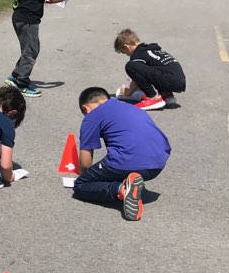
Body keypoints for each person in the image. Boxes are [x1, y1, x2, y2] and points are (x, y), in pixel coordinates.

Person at [73, 86, 171, 222]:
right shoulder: (131, 107)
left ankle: (121, 190)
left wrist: (87, 176)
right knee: (119, 163)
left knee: (81, 185)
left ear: (85, 108)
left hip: (127, 160)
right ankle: (130, 181)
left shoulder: (92, 116)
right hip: (157, 164)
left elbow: (85, 163)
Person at [4, 0, 75, 98]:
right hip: (28, 19)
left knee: (29, 48)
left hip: (20, 17)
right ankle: (21, 83)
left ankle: (16, 75)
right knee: (31, 51)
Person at [113, 29, 186, 111]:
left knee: (131, 66)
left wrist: (129, 92)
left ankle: (153, 98)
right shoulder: (151, 49)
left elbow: (136, 76)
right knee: (156, 68)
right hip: (179, 81)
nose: (126, 54)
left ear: (126, 47)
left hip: (169, 79)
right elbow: (147, 73)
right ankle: (166, 94)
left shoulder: (138, 54)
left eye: (124, 52)